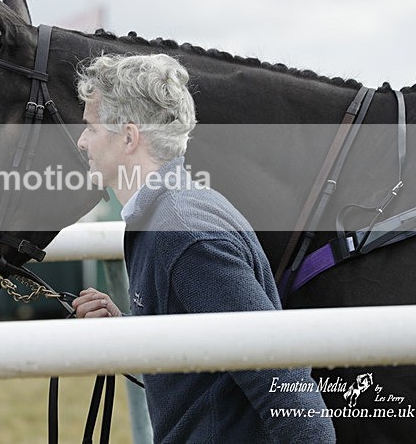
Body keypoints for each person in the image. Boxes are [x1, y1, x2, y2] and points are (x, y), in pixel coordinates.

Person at [71, 54, 335, 443]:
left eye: (91, 128)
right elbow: (201, 354)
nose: (81, 141)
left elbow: (289, 392)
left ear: (128, 137)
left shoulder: (183, 233)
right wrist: (122, 331)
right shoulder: (168, 213)